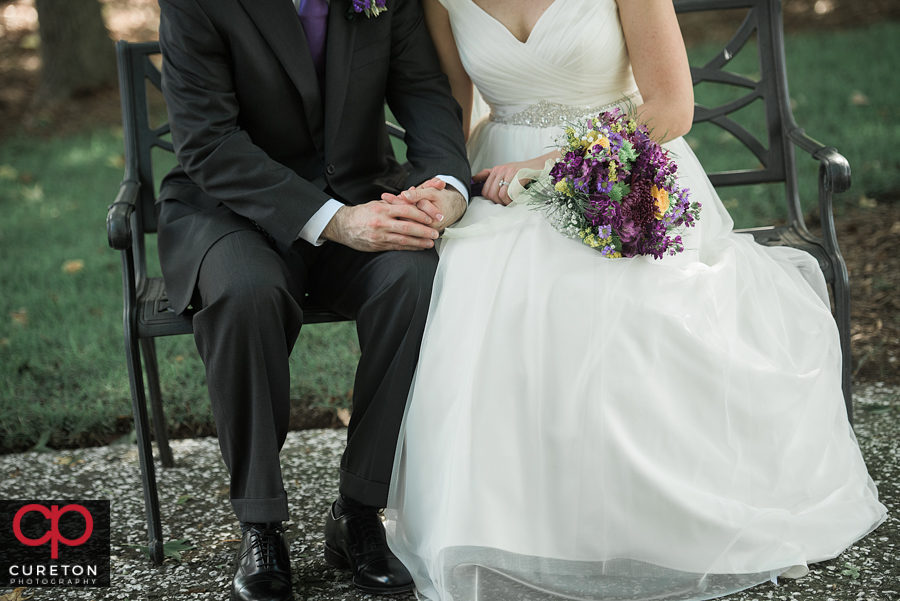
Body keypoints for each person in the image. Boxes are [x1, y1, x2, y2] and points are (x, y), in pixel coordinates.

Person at [382, 1, 887, 600]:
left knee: (609, 297)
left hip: (617, 164)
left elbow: (672, 108)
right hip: (498, 181)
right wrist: (441, 189)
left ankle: (639, 525)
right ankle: (504, 523)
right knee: (478, 283)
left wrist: (553, 165)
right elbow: (453, 116)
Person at [155, 0, 471, 599]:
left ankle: (358, 512)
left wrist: (444, 189)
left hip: (359, 193)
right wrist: (334, 221)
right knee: (247, 292)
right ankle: (261, 524)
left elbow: (426, 95)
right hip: (231, 209)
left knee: (414, 276)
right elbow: (208, 143)